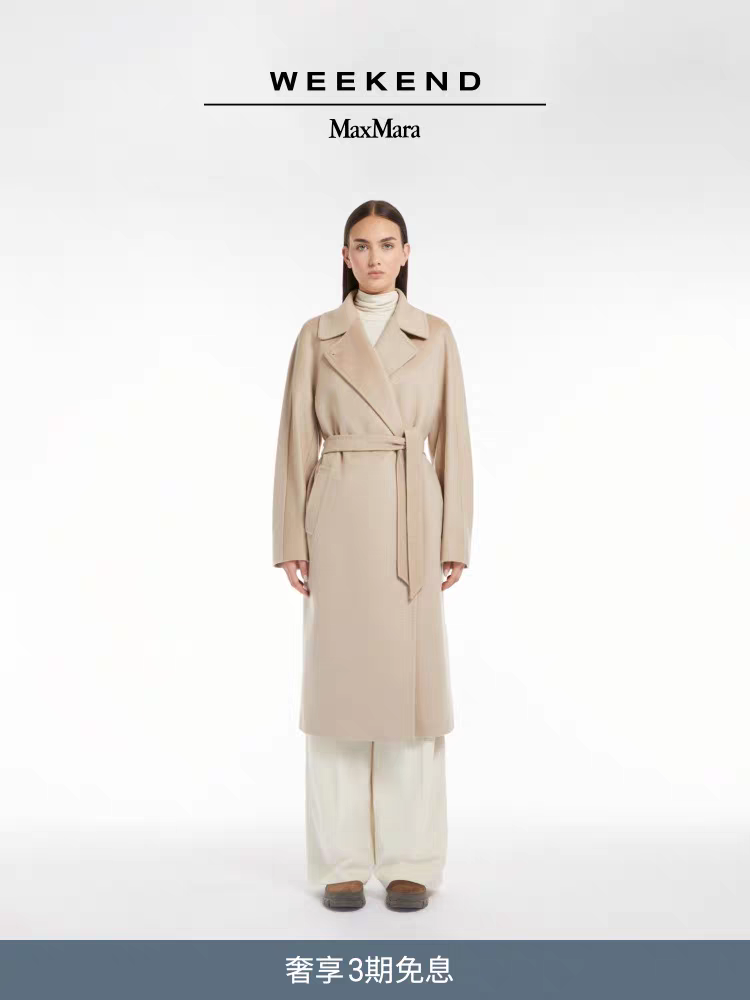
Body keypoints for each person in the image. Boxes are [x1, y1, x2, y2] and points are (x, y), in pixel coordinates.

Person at [271, 199, 473, 911]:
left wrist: (454, 538)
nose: (375, 257)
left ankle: (412, 858)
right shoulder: (317, 335)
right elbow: (295, 439)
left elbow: (453, 442)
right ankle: (342, 861)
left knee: (409, 693)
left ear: (407, 254)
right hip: (338, 518)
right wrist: (290, 539)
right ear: (346, 257)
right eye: (362, 246)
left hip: (411, 519)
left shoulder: (435, 335)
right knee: (337, 690)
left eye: (388, 244)